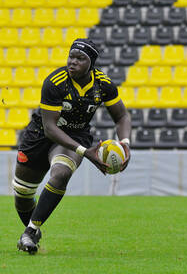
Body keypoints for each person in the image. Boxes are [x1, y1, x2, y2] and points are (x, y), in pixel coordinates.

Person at [14, 38, 131, 254]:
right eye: (71, 56)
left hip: (75, 134)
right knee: (22, 193)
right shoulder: (55, 82)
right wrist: (86, 153)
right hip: (41, 134)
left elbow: (122, 116)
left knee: (61, 173)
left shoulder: (103, 84)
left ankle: (30, 232)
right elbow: (50, 128)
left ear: (91, 63)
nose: (73, 62)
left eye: (80, 58)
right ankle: (32, 229)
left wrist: (125, 143)